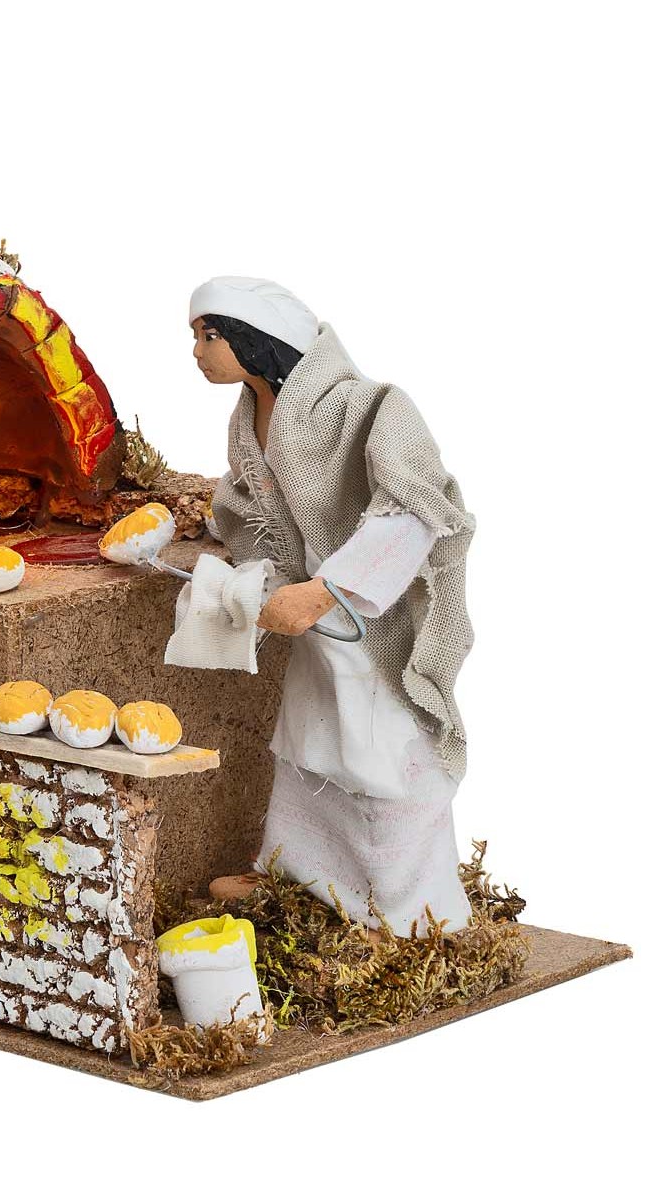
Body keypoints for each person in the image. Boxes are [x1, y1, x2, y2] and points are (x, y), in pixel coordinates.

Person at [184, 277, 475, 937]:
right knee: (307, 744)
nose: (198, 352)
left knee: (382, 756)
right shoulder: (248, 418)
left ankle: (405, 908)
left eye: (210, 335)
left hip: (374, 621)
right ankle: (299, 873)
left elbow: (414, 512)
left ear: (257, 340)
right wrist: (249, 576)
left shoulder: (371, 408)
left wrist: (324, 592)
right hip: (318, 633)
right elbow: (254, 510)